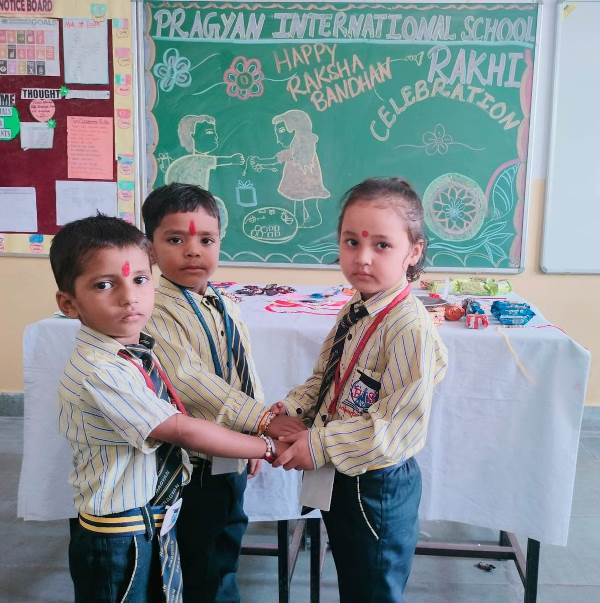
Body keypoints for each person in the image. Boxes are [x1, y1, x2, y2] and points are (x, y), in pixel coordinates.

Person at [50, 215, 277, 603]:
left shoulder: (136, 351)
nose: (129, 297)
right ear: (69, 304)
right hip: (117, 533)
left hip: (149, 518)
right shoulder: (102, 369)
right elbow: (180, 429)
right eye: (104, 285)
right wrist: (268, 446)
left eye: (140, 280)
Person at [272, 177, 449, 603]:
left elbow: (397, 428)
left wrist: (318, 443)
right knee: (354, 579)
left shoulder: (408, 327)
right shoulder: (357, 308)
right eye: (351, 242)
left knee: (372, 589)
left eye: (382, 245)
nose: (362, 257)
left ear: (414, 251)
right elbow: (325, 380)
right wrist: (289, 410)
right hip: (343, 474)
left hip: (377, 488)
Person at [142, 183, 293, 603]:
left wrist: (255, 433)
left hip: (230, 457)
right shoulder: (153, 309)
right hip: (191, 467)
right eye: (176, 240)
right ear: (150, 249)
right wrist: (261, 422)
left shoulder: (223, 303)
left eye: (206, 240)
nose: (193, 251)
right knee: (200, 559)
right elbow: (189, 380)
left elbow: (244, 369)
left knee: (226, 544)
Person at [249, 109, 330, 228]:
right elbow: (281, 159)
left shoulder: (304, 144)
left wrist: (262, 162)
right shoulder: (297, 146)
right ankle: (299, 219)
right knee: (298, 199)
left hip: (307, 181)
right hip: (299, 182)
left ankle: (313, 219)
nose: (278, 138)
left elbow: (287, 158)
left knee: (308, 201)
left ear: (295, 129)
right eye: (278, 132)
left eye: (282, 130)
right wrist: (263, 164)